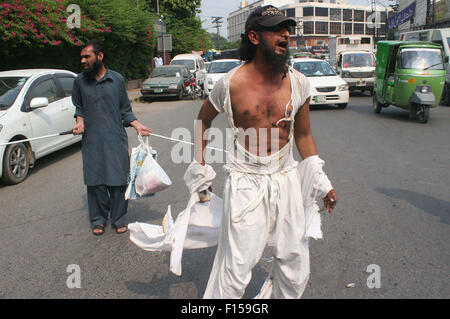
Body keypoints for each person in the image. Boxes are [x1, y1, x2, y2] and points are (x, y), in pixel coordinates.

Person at [193, 5, 337, 298]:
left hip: (285, 180)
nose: (286, 34)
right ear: (255, 37)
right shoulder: (230, 83)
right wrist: (200, 169)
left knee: (293, 263)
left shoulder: (298, 82)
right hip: (245, 184)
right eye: (276, 29)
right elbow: (202, 121)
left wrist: (322, 182)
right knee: (237, 268)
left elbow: (304, 136)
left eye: (288, 29)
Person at [72, 40, 152, 236]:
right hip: (91, 140)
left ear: (100, 56)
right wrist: (80, 122)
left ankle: (118, 219)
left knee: (117, 181)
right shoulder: (80, 81)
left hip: (115, 138)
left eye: (87, 57)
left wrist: (137, 125)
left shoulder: (116, 80)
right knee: (95, 181)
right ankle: (98, 219)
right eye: (81, 57)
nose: (82, 60)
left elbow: (125, 109)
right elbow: (79, 107)